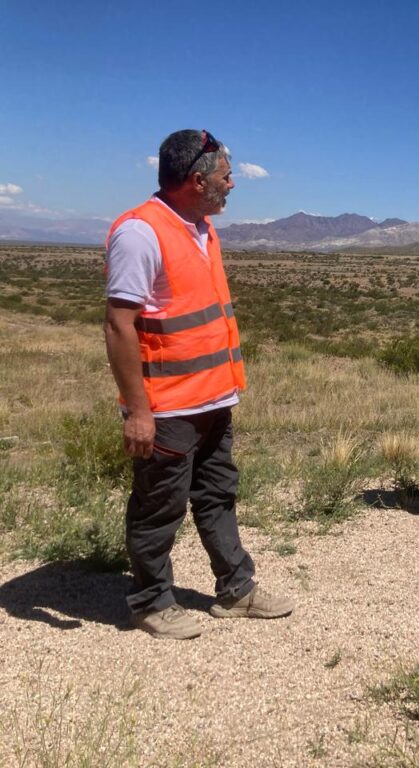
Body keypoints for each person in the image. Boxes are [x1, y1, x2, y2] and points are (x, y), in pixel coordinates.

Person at [104, 129, 293, 639]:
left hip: (213, 399)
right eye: (226, 176)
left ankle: (236, 589)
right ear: (196, 180)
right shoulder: (141, 232)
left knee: (217, 495)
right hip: (166, 409)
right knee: (158, 505)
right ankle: (149, 601)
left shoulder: (203, 228)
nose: (233, 184)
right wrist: (138, 412)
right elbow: (119, 325)